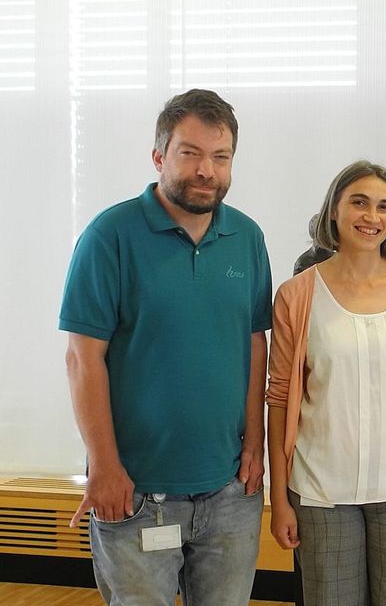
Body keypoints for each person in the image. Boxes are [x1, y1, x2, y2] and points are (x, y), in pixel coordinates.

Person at [59, 88, 271, 604]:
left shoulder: (246, 237)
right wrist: (104, 466)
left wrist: (254, 445)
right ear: (159, 156)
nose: (206, 170)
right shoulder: (109, 236)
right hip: (135, 491)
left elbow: (254, 344)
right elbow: (82, 358)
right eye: (190, 153)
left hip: (228, 493)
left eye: (220, 158)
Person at [265, 160, 386, 605]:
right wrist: (279, 497)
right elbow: (278, 397)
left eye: (384, 207)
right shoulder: (297, 294)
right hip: (321, 490)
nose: (372, 217)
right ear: (334, 210)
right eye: (359, 203)